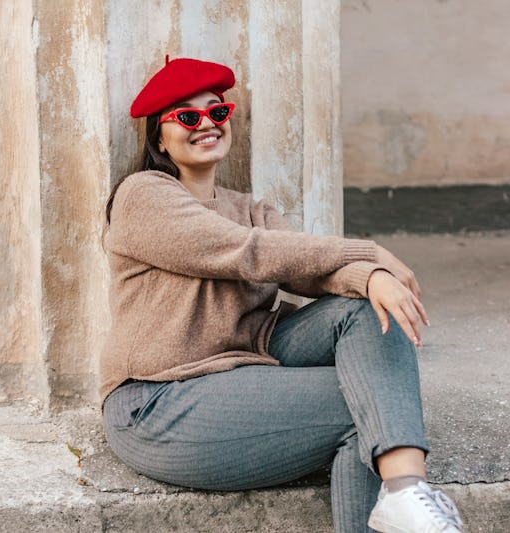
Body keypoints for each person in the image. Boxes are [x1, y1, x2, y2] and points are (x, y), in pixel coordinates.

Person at [101, 56, 464, 533]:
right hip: (160, 400)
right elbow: (247, 252)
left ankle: (406, 494)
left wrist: (371, 277)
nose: (206, 123)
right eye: (187, 117)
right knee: (368, 404)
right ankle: (402, 492)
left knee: (369, 310)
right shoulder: (143, 195)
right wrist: (369, 249)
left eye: (217, 112)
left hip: (246, 362)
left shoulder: (250, 208)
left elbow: (309, 270)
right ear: (159, 137)